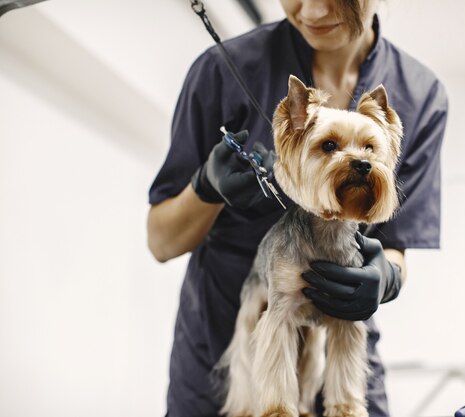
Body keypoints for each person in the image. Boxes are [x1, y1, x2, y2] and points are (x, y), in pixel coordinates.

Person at [147, 0, 448, 416]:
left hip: (342, 331)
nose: (312, 10)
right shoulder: (222, 70)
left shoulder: (421, 94)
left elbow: (396, 243)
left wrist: (387, 276)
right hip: (221, 339)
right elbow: (160, 241)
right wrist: (206, 186)